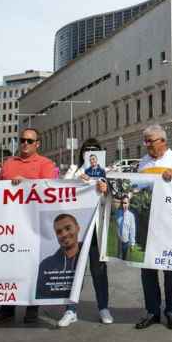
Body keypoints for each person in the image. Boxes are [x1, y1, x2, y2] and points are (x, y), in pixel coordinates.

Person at [0, 128, 59, 326]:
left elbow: (49, 189)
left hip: (33, 225)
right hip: (10, 225)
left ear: (38, 143)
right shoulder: (9, 163)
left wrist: (27, 182)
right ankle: (7, 308)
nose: (25, 144)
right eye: (22, 140)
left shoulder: (46, 164)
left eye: (30, 141)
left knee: (31, 268)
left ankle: (32, 308)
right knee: (9, 267)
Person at [135, 124, 172, 331]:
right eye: (145, 141)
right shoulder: (143, 162)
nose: (146, 145)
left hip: (170, 223)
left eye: (149, 141)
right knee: (148, 270)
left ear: (162, 141)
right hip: (148, 223)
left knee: (170, 270)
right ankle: (152, 311)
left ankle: (171, 311)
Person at [60, 140, 113, 328]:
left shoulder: (106, 172)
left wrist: (106, 190)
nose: (91, 153)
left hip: (97, 228)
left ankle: (103, 307)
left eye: (95, 150)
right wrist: (76, 182)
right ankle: (70, 309)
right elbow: (61, 191)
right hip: (78, 231)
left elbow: (112, 200)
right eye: (87, 150)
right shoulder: (75, 170)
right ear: (82, 153)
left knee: (99, 270)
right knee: (74, 271)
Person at [36, 214, 82, 299]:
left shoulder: (90, 256)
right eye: (59, 232)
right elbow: (39, 294)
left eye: (68, 228)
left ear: (78, 228)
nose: (64, 234)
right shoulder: (46, 265)